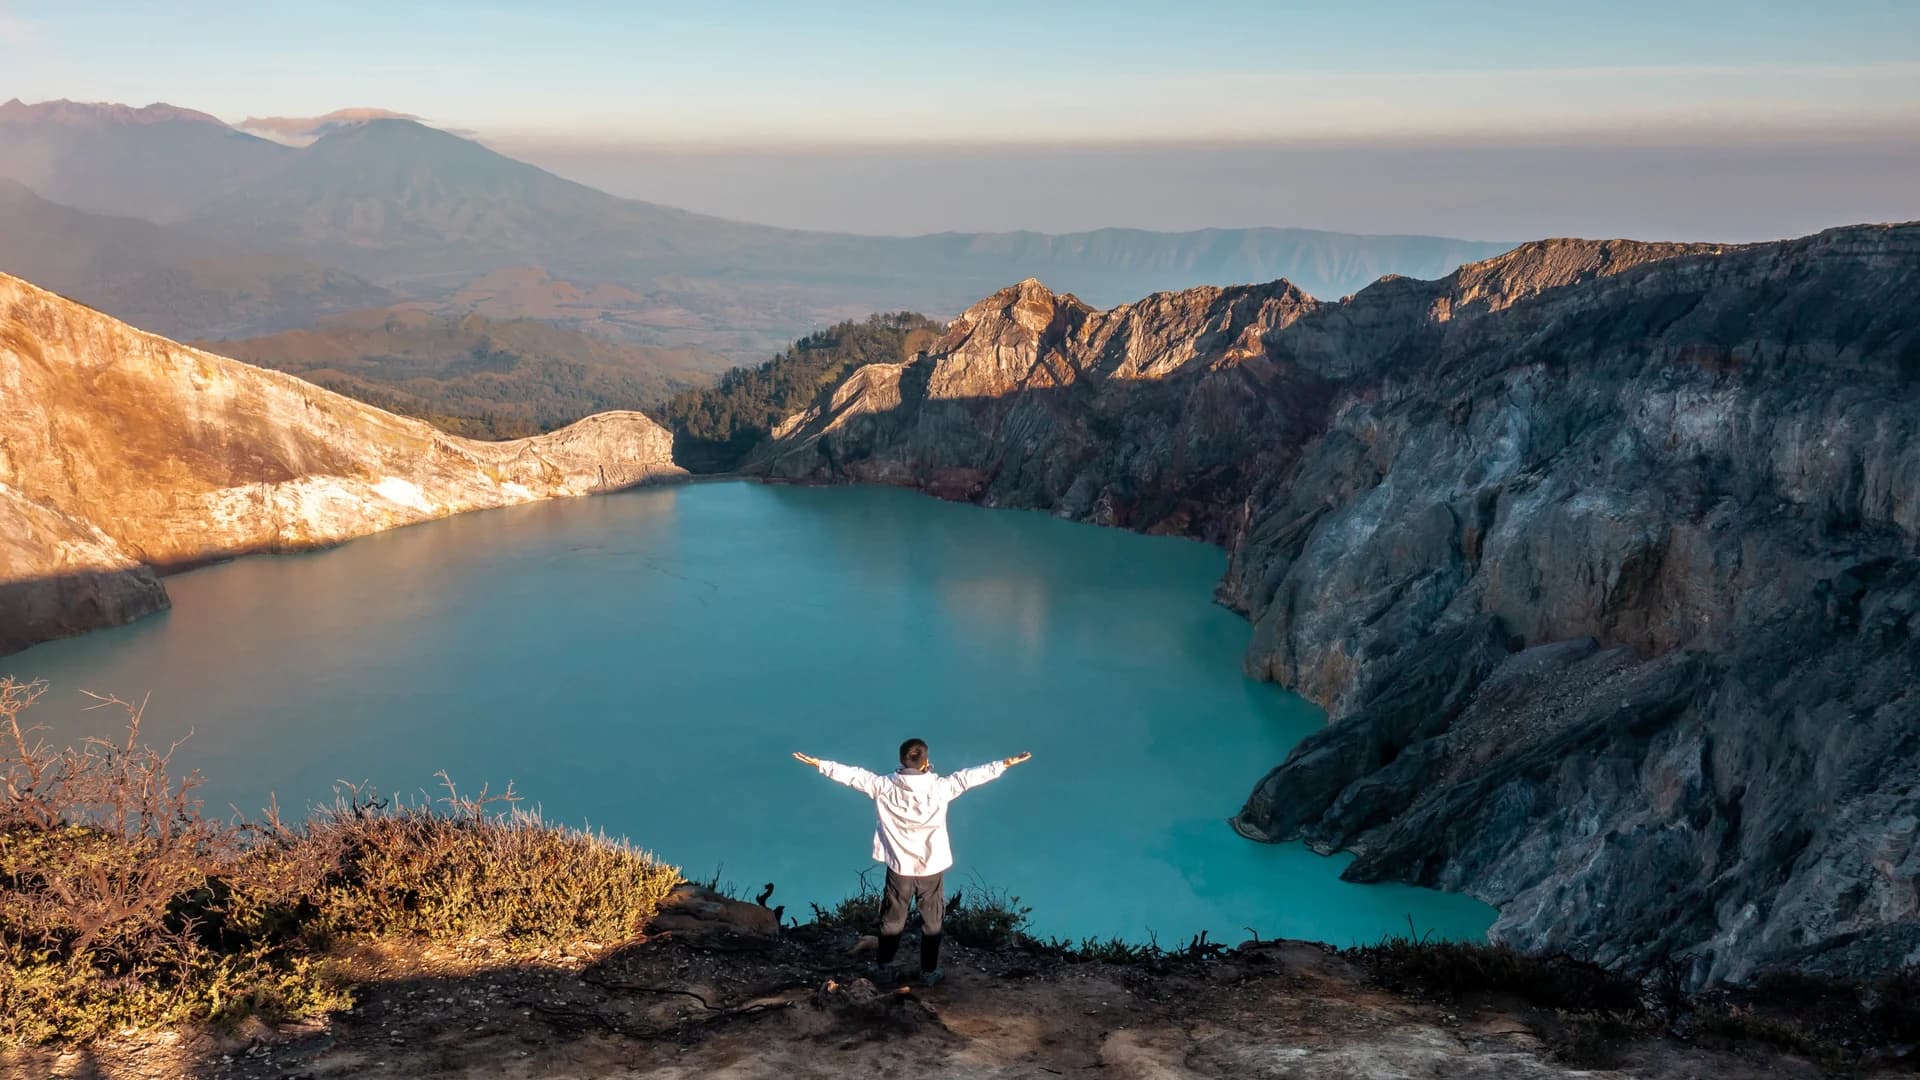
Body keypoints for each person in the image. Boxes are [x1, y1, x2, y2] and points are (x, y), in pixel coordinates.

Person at [793, 739, 1032, 986]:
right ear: (925, 761)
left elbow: (853, 776)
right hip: (931, 866)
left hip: (900, 866)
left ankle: (884, 968)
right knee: (932, 921)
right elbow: (970, 777)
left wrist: (820, 764)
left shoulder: (883, 786)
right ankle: (928, 972)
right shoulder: (941, 788)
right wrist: (1004, 764)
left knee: (892, 920)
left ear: (901, 759)